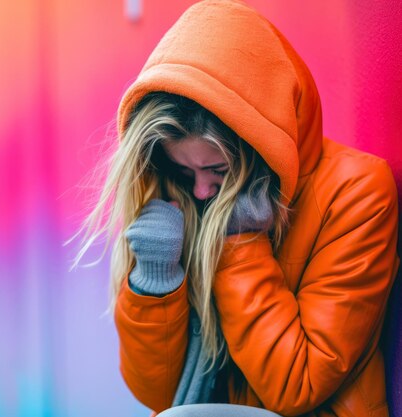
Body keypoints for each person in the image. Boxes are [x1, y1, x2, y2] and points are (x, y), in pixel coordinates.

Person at [73, 0, 399, 416]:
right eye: (182, 169)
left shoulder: (356, 191)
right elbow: (158, 395)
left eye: (218, 169)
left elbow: (298, 385)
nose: (203, 190)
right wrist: (156, 276)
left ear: (260, 149)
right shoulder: (181, 199)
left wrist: (240, 242)